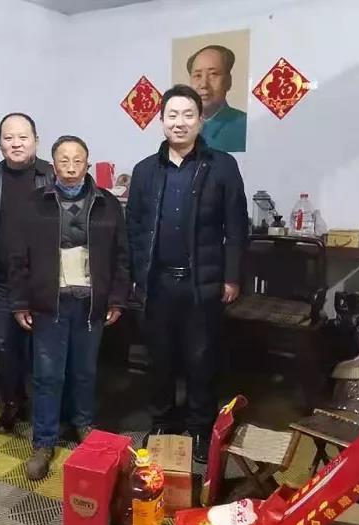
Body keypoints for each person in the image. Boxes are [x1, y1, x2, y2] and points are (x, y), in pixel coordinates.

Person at [126, 84, 248, 463]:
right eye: (172, 115)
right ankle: (163, 421)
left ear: (200, 120)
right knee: (159, 358)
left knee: (201, 359)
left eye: (188, 115)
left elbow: (236, 226)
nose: (179, 122)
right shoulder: (145, 171)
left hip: (202, 284)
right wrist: (136, 275)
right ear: (161, 120)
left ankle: (199, 427)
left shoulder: (222, 166)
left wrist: (231, 277)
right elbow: (134, 227)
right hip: (157, 283)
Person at [8, 135, 130, 480]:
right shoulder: (34, 204)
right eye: (64, 160)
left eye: (78, 160)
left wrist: (117, 298)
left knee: (85, 371)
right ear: (53, 165)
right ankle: (44, 441)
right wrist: (20, 301)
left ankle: (83, 425)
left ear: (87, 163)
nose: (72, 167)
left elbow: (122, 256)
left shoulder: (107, 203)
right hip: (50, 304)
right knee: (48, 375)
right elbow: (17, 258)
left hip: (91, 304)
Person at [0, 113, 54, 434]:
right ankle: (12, 403)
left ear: (36, 140)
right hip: (5, 281)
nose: (16, 143)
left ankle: (47, 407)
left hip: (45, 281)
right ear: (0, 143)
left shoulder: (52, 175)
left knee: (44, 348)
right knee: (7, 346)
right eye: (8, 138)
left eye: (23, 137)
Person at [187, 45, 247, 153]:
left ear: (228, 81)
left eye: (213, 74)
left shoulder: (244, 126)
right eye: (197, 75)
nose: (204, 84)